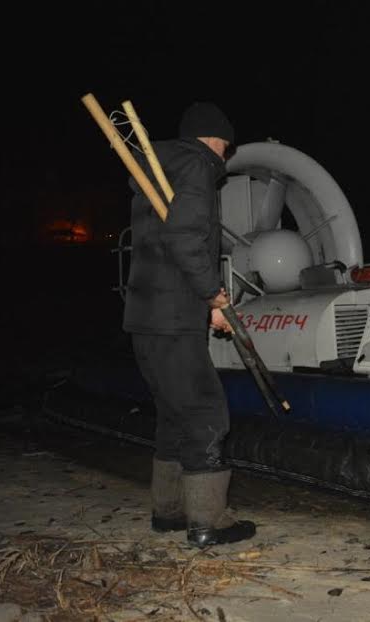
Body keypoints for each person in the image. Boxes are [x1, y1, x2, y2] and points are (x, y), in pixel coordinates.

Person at [122, 101, 256, 547]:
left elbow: (166, 242)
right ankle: (207, 522)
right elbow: (185, 238)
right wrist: (212, 295)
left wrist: (207, 304)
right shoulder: (197, 166)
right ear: (217, 139)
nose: (225, 156)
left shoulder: (160, 169)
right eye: (226, 147)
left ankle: (170, 511)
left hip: (145, 315)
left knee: (173, 415)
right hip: (176, 314)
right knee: (204, 412)